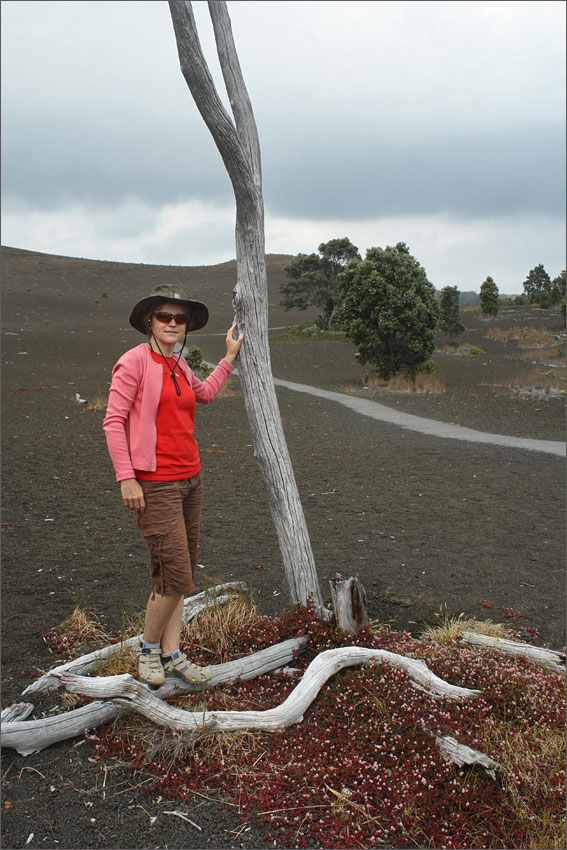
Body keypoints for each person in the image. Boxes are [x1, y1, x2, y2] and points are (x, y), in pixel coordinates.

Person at [103, 284, 243, 687]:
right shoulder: (133, 363)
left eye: (179, 318)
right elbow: (113, 422)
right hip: (155, 483)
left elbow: (205, 395)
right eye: (164, 316)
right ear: (149, 321)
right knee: (174, 573)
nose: (172, 323)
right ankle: (147, 650)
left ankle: (172, 654)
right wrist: (126, 478)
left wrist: (229, 359)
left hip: (190, 479)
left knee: (179, 575)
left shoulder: (179, 365)